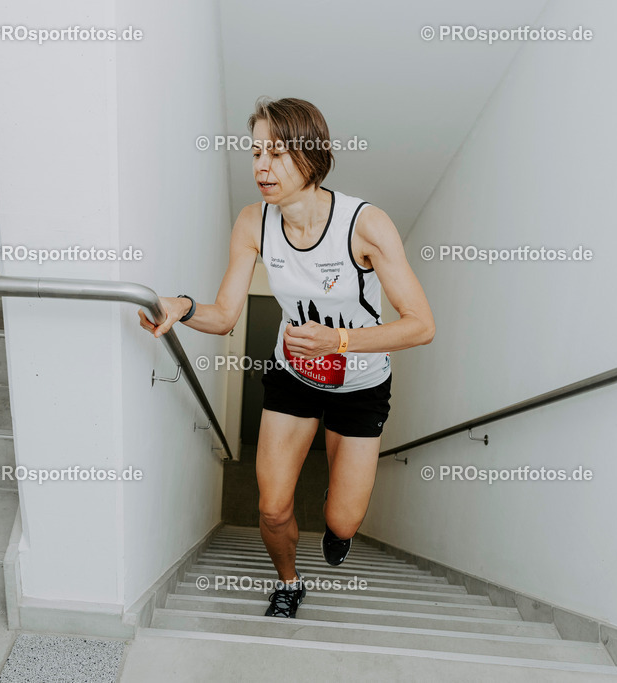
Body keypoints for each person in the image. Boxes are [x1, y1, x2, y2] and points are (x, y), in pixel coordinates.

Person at [139, 97, 434, 619]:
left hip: (362, 384)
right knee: (272, 508)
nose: (260, 166)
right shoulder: (253, 222)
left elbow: (420, 325)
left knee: (343, 522)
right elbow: (225, 315)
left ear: (311, 156)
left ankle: (337, 526)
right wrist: (180, 306)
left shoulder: (366, 225)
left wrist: (337, 342)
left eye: (275, 153)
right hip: (293, 376)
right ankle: (289, 582)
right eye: (255, 153)